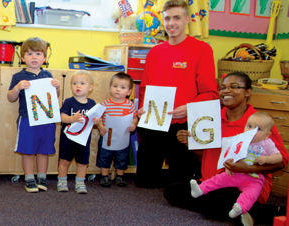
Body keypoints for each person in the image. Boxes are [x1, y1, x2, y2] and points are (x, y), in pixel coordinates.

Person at [166, 72, 289, 225]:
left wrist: (247, 168)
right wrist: (189, 143)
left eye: (234, 87)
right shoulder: (212, 118)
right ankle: (250, 211)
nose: (226, 91)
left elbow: (281, 161)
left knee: (217, 202)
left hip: (247, 184)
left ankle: (260, 210)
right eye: (223, 87)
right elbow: (206, 156)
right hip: (215, 181)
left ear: (248, 92)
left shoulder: (259, 122)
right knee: (172, 191)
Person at [135, 0, 219, 188]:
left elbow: (211, 93)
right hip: (155, 122)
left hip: (184, 124)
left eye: (176, 18)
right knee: (144, 183)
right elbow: (145, 88)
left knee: (180, 184)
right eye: (167, 18)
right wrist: (142, 108)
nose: (171, 23)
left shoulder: (202, 50)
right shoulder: (154, 53)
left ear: (187, 20)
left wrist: (189, 108)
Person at [189, 112, 282, 219]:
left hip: (254, 179)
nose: (252, 130)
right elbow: (230, 155)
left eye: (258, 129)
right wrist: (228, 166)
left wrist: (266, 159)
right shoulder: (240, 139)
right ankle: (200, 189)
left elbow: (279, 158)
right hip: (235, 175)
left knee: (250, 194)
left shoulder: (267, 143)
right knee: (218, 180)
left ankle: (240, 208)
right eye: (249, 126)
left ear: (267, 135)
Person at [7, 37, 60, 193]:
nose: (34, 57)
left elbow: (53, 98)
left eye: (38, 53)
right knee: (28, 150)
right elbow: (11, 97)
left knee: (44, 150)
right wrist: (17, 87)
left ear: (44, 57)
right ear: (23, 58)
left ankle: (42, 177)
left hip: (46, 120)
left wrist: (56, 88)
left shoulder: (48, 75)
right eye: (29, 54)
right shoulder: (18, 76)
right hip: (27, 119)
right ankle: (29, 178)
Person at [57, 70, 99, 193]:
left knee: (82, 162)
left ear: (90, 88)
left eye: (82, 83)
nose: (78, 86)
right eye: (74, 83)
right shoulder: (69, 101)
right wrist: (72, 119)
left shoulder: (92, 103)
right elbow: (62, 117)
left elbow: (94, 120)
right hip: (68, 139)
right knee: (64, 161)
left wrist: (97, 122)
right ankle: (62, 181)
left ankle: (80, 183)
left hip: (83, 140)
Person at [96, 72, 138, 188]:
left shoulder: (129, 105)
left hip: (122, 137)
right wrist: (100, 126)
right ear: (110, 88)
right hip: (107, 137)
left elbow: (134, 117)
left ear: (129, 91)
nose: (118, 90)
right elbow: (98, 118)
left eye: (122, 87)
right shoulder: (105, 104)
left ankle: (120, 176)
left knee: (122, 157)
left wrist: (133, 125)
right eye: (115, 86)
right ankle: (105, 176)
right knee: (104, 156)